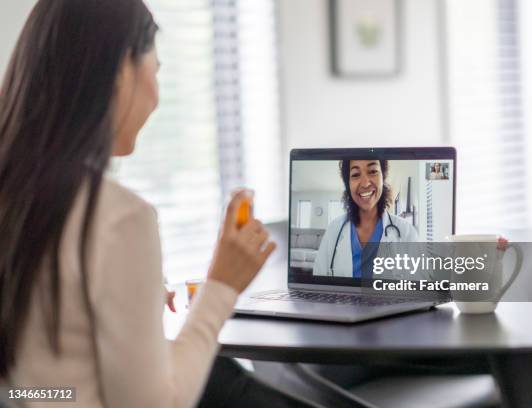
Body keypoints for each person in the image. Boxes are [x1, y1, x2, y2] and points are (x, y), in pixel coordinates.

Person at [0, 1, 315, 407]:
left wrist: (130, 296)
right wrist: (222, 285)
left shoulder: (19, 195)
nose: (156, 94)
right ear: (119, 71)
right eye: (156, 68)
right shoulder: (118, 218)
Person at [313, 160, 418, 277]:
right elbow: (319, 280)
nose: (365, 183)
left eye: (373, 171)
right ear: (348, 184)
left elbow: (418, 289)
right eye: (355, 174)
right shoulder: (334, 229)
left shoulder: (407, 233)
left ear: (383, 177)